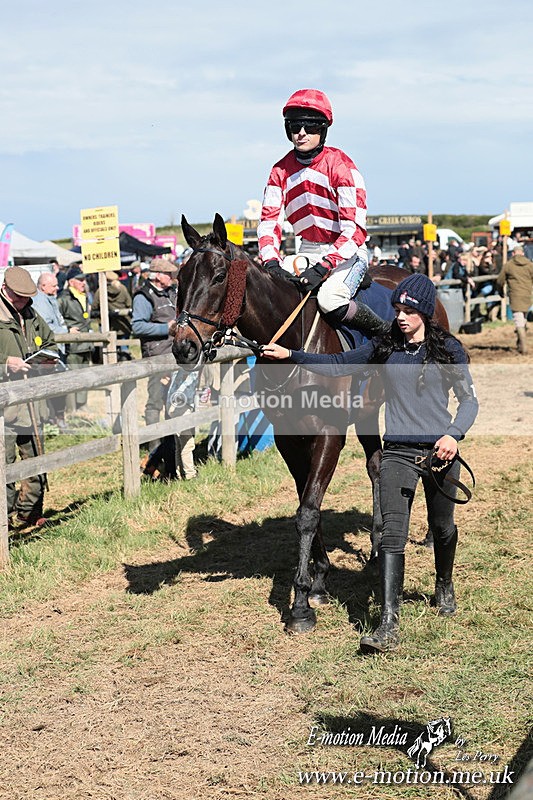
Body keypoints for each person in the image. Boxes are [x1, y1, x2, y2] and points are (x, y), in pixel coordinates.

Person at [262, 273, 478, 653]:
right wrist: (291, 355)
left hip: (440, 452)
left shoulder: (449, 349)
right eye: (396, 309)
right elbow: (338, 363)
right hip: (396, 453)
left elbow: (469, 401)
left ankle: (443, 583)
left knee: (442, 528)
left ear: (425, 313)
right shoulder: (385, 347)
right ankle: (388, 623)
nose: (400, 317)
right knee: (393, 536)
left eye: (408, 310)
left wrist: (453, 435)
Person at [257, 88, 388, 337]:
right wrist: (271, 262)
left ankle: (385, 335)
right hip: (306, 250)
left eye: (310, 126)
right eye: (295, 126)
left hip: (346, 254)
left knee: (329, 299)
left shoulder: (342, 166)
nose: (302, 133)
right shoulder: (279, 171)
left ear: (323, 129)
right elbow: (268, 223)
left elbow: (355, 231)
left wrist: (324, 266)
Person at [0, 267, 59, 528]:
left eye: (27, 296)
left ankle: (29, 513)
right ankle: (5, 519)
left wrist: (47, 359)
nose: (24, 301)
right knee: (5, 465)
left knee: (36, 459)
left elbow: (50, 342)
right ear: (5, 288)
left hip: (33, 401)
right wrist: (4, 364)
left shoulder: (31, 314)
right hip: (5, 402)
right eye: (19, 297)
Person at [33, 272, 69, 427]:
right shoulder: (40, 301)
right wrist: (66, 333)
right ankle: (52, 418)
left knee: (57, 383)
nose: (57, 288)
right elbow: (47, 327)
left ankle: (55, 418)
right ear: (43, 286)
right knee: (52, 384)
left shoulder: (48, 299)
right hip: (48, 350)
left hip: (55, 348)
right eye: (54, 285)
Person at [58, 265, 93, 413]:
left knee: (85, 375)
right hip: (72, 345)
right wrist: (66, 330)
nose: (83, 282)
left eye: (84, 279)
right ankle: (71, 409)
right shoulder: (63, 298)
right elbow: (56, 319)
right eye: (80, 280)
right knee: (73, 376)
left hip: (86, 342)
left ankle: (82, 404)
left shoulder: (84, 296)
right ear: (71, 282)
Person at [496, 245, 533, 354]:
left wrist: (500, 291)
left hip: (515, 295)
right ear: (522, 253)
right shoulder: (530, 265)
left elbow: (500, 281)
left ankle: (524, 348)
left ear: (513, 253)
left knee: (519, 322)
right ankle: (520, 344)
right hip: (527, 296)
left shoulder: (508, 265)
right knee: (523, 319)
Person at [91, 272, 133, 361]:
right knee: (124, 349)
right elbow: (129, 304)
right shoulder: (123, 289)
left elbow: (94, 307)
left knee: (108, 351)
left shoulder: (100, 291)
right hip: (123, 324)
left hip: (108, 326)